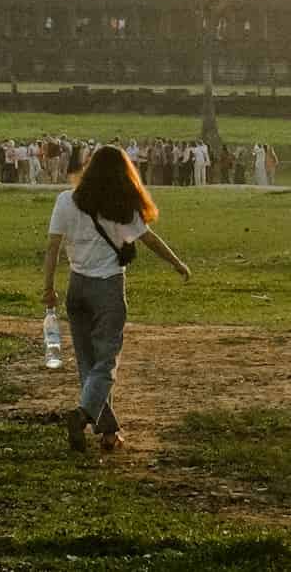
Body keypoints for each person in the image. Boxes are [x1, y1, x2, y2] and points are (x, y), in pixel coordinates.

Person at [41, 144, 191, 454]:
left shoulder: (65, 200)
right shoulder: (120, 204)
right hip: (107, 287)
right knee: (106, 362)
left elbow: (53, 247)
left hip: (76, 286)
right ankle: (83, 415)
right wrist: (177, 263)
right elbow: (148, 239)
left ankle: (108, 431)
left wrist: (48, 287)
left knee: (88, 362)